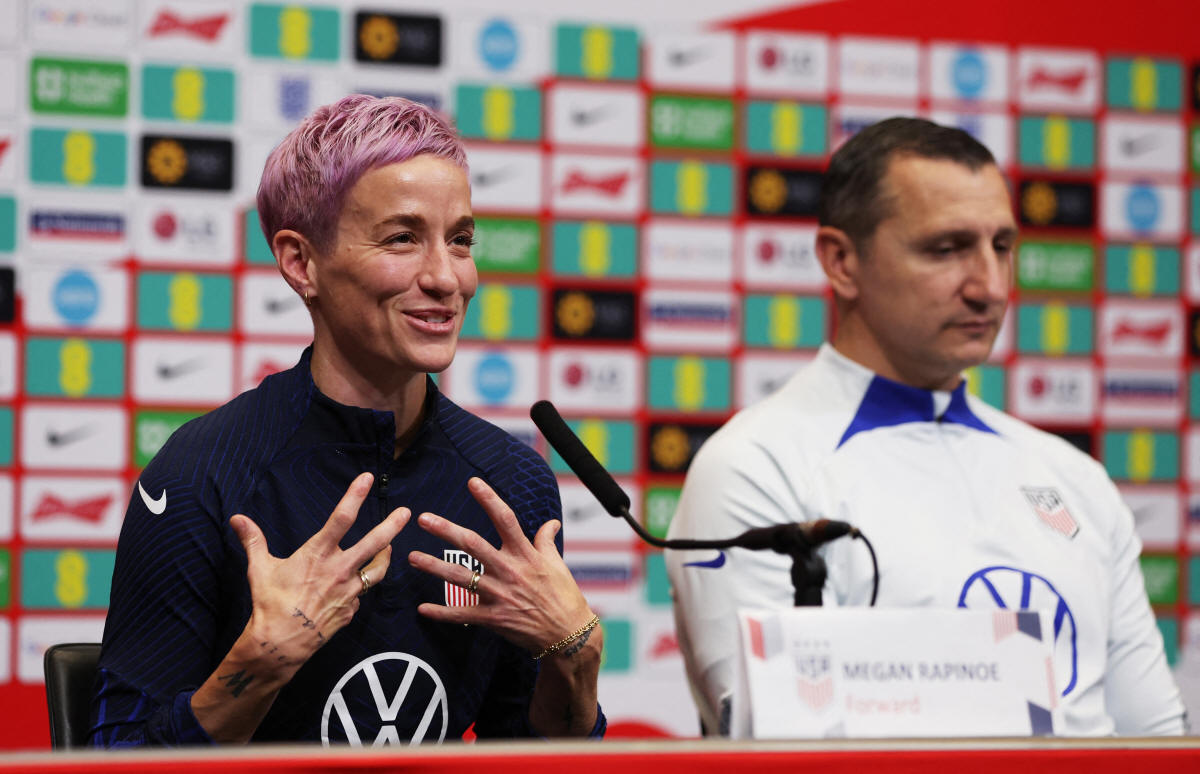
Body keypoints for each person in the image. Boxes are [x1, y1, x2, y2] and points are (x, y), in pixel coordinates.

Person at [91, 95, 604, 746]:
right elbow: (115, 758)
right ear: (301, 263)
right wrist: (260, 663)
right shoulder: (199, 475)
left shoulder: (511, 484)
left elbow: (531, 758)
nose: (446, 278)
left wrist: (574, 660)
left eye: (460, 241)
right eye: (402, 238)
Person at [665, 117, 1186, 737]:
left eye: (1002, 246)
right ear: (841, 262)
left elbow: (1159, 739)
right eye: (947, 249)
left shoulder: (1076, 478)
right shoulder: (754, 468)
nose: (990, 287)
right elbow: (780, 751)